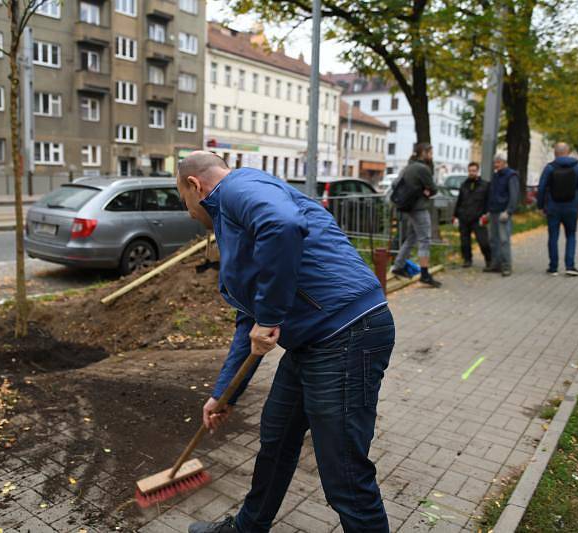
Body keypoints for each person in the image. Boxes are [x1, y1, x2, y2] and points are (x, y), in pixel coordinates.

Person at [177, 152, 395, 533]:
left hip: (346, 333)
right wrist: (224, 394)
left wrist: (271, 316)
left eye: (185, 203)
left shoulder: (238, 187)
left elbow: (282, 224)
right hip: (312, 343)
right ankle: (247, 528)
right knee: (276, 439)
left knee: (343, 471)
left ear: (194, 185)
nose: (190, 214)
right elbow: (251, 318)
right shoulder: (234, 221)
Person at [389, 142, 442, 287]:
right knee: (424, 239)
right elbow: (434, 189)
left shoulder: (408, 166)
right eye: (430, 153)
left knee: (411, 238)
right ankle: (424, 274)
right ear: (424, 153)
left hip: (408, 207)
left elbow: (395, 184)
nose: (432, 156)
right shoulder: (422, 168)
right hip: (419, 208)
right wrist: (425, 191)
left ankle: (397, 267)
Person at [536, 142, 578, 276]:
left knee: (553, 236)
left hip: (553, 207)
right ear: (568, 151)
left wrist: (540, 206)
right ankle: (570, 266)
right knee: (571, 235)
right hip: (572, 207)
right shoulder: (577, 167)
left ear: (555, 152)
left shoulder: (550, 168)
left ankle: (553, 267)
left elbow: (541, 188)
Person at [485, 155, 520, 276]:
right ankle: (496, 264)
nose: (496, 165)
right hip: (493, 211)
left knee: (504, 240)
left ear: (504, 163)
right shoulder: (496, 175)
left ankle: (506, 266)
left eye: (498, 163)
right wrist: (488, 211)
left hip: (503, 213)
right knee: (493, 240)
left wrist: (508, 211)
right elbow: (492, 194)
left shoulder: (511, 175)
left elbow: (514, 195)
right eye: (495, 163)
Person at [454, 162, 491, 268]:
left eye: (474, 171)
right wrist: (455, 215)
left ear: (477, 171)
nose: (472, 173)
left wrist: (486, 215)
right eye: (470, 171)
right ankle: (467, 259)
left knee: (483, 241)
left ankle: (489, 260)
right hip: (464, 217)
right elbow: (459, 201)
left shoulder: (485, 185)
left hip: (478, 218)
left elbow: (488, 202)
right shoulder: (464, 185)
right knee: (464, 242)